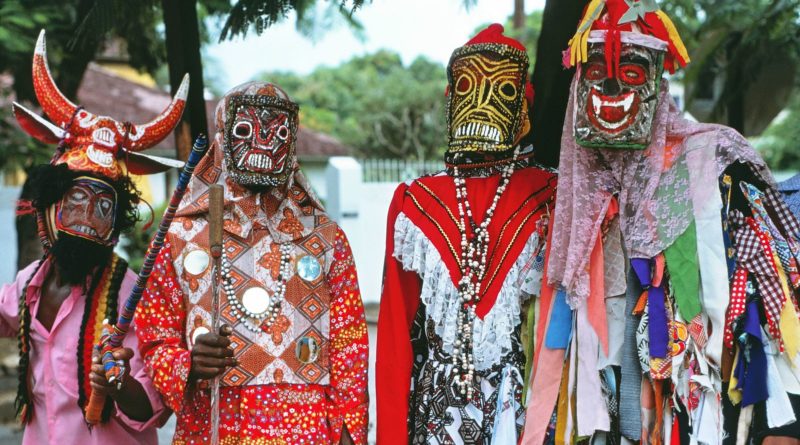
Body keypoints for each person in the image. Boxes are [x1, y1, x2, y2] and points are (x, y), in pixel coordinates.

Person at [522, 1, 800, 444]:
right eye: (595, 75)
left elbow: (776, 302)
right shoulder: (571, 197)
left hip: (702, 417)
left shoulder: (716, 161)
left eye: (631, 74)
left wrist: (784, 428)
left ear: (657, 80)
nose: (611, 88)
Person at [135, 81, 369, 444]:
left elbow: (349, 343)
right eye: (246, 131)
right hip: (214, 424)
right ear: (223, 137)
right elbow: (154, 338)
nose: (263, 144)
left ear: (291, 142)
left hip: (305, 431)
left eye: (277, 133)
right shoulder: (179, 237)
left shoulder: (325, 238)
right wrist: (188, 364)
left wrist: (347, 433)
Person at [376, 24, 557, 445]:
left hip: (526, 410)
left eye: (504, 92)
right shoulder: (416, 201)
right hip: (437, 414)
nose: (481, 105)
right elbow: (395, 334)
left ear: (523, 113)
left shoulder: (551, 194)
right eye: (467, 86)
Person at [1, 30, 184, 444]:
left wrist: (119, 382)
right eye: (76, 200)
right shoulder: (30, 282)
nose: (88, 218)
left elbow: (151, 411)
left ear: (116, 222)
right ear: (50, 205)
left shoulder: (130, 294)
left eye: (104, 207)